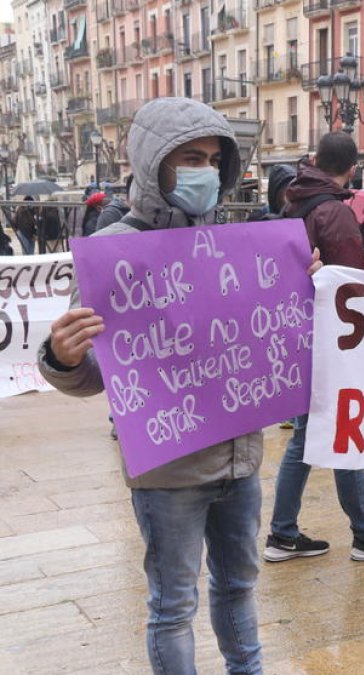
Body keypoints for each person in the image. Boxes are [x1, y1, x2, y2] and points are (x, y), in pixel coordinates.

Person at [37, 97, 280, 673]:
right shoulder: (112, 252)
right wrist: (62, 358)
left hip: (240, 460)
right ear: (154, 163)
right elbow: (95, 374)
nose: (205, 172)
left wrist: (295, 289)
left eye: (214, 161)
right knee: (173, 607)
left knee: (239, 588)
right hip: (169, 472)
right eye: (190, 158)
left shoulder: (231, 242)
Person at [267, 131, 364, 564]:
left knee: (309, 435)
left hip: (302, 330)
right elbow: (351, 276)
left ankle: (284, 532)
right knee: (341, 428)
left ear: (315, 160)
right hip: (328, 336)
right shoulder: (333, 210)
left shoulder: (295, 201)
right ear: (352, 168)